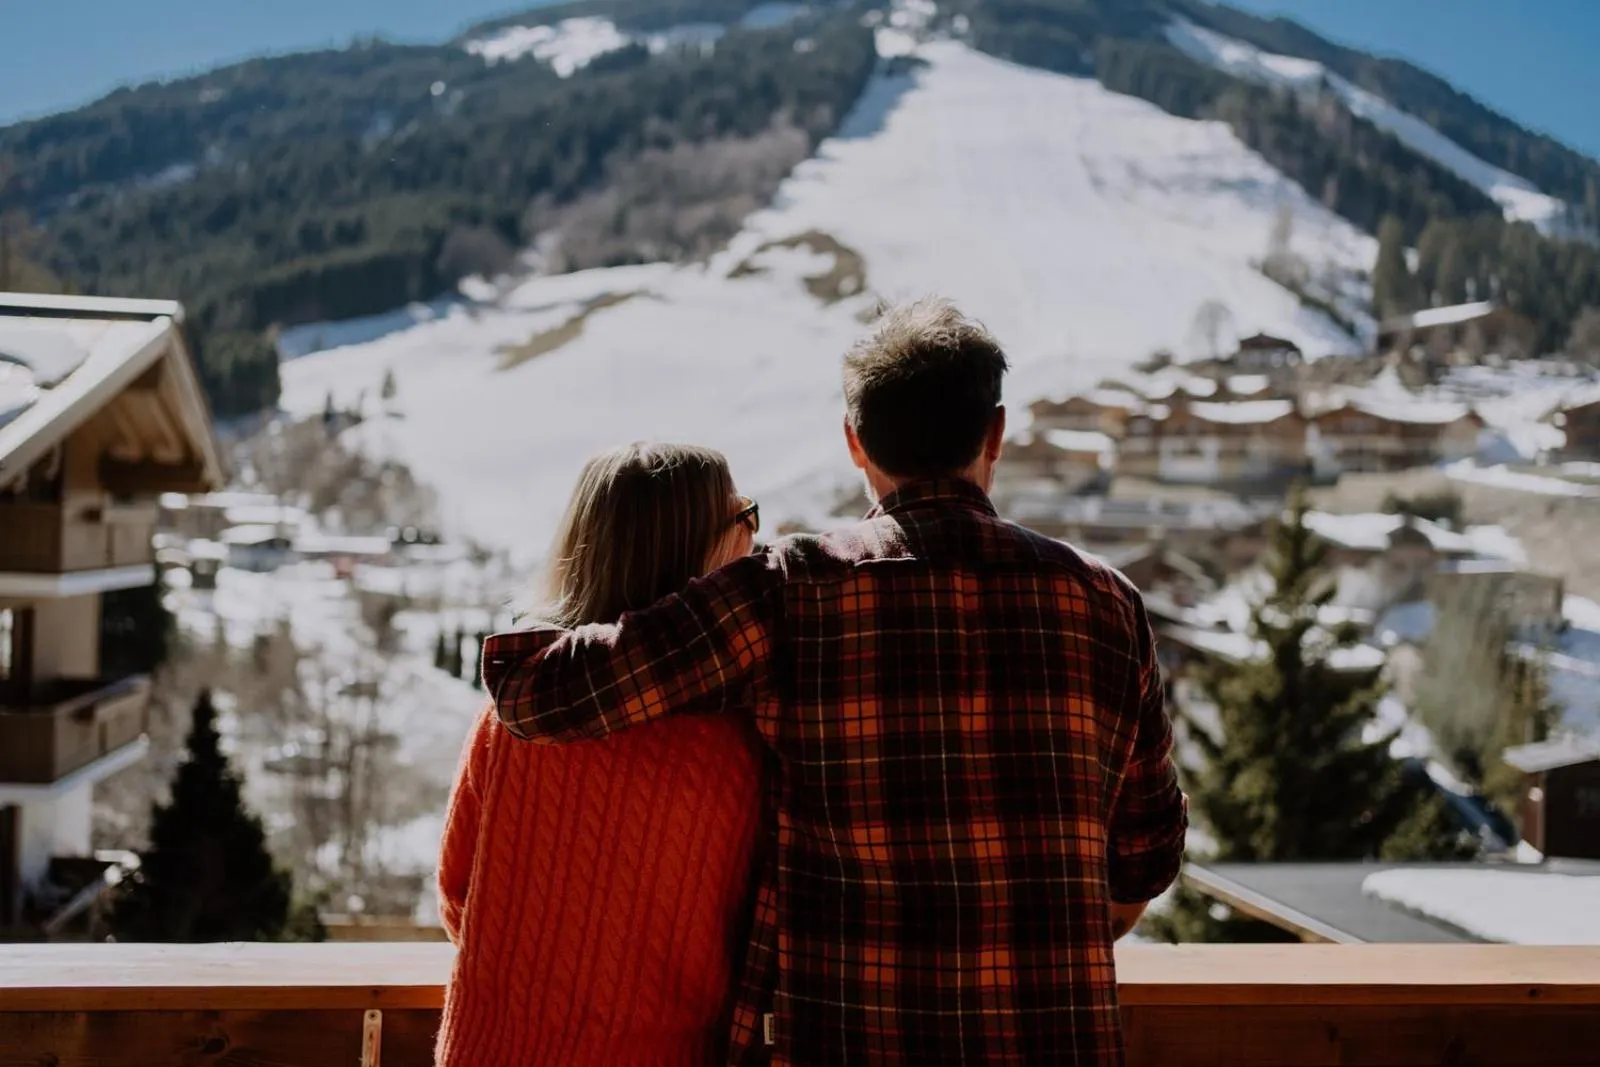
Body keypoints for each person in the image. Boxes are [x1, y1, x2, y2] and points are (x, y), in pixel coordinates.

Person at [482, 299, 1188, 1066]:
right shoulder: (1106, 603)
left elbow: (535, 693)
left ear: (855, 442)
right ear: (995, 435)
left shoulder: (792, 590)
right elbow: (1145, 858)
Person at [436, 443, 766, 1067]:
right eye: (744, 517)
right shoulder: (742, 738)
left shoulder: (515, 709)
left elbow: (458, 896)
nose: (754, 543)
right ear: (701, 553)